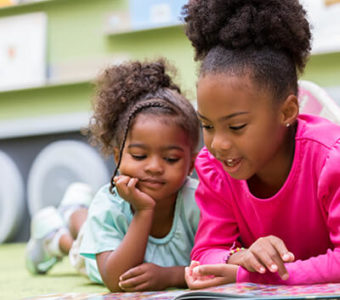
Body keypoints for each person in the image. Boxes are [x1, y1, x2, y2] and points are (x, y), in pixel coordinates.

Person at [182, 0, 340, 288]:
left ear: (287, 112)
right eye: (207, 125)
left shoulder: (331, 159)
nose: (218, 144)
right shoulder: (214, 168)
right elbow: (205, 254)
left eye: (237, 126)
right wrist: (239, 257)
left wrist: (257, 275)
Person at [25, 59, 201, 292]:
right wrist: (144, 211)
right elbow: (116, 280)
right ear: (118, 157)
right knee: (79, 250)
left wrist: (170, 276)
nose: (155, 167)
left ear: (191, 163)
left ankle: (72, 209)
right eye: (139, 156)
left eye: (171, 159)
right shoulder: (109, 204)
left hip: (106, 232)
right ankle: (55, 236)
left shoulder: (200, 200)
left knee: (89, 227)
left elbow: (215, 262)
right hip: (103, 264)